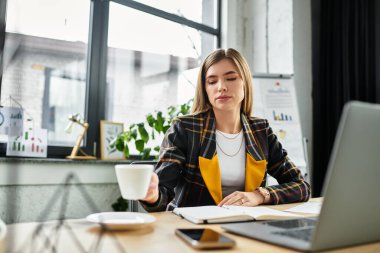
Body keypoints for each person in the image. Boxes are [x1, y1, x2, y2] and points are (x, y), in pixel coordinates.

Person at [139, 48, 310, 212]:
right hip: (193, 228)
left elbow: (301, 186)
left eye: (231, 78)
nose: (221, 87)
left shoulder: (261, 131)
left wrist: (260, 196)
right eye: (212, 81)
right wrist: (153, 195)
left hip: (245, 226)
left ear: (245, 83)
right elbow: (162, 194)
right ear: (205, 90)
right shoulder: (185, 129)